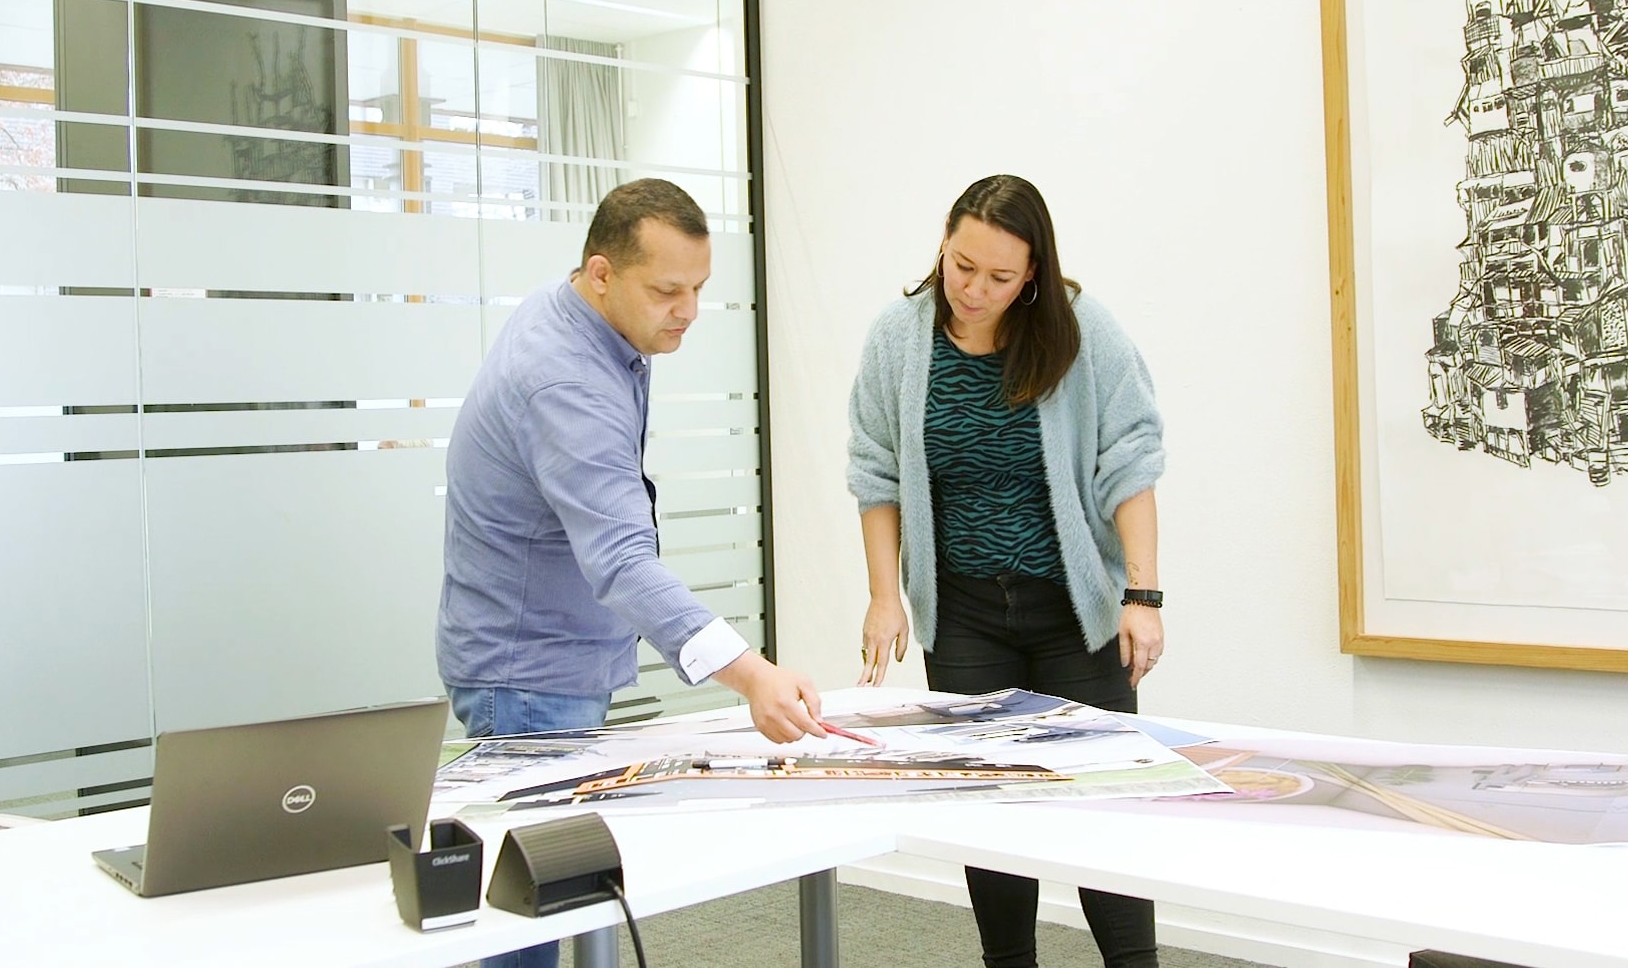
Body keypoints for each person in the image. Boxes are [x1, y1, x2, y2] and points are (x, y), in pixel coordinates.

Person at [438, 178, 828, 968]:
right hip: (526, 677)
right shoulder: (567, 378)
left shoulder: (586, 319)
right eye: (668, 291)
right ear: (603, 272)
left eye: (699, 289)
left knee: (553, 906)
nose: (687, 310)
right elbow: (618, 557)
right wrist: (751, 674)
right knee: (529, 927)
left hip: (543, 660)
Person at [847, 174, 1167, 968]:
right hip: (965, 618)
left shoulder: (1080, 327)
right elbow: (875, 471)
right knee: (991, 810)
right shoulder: (900, 337)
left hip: (1076, 614)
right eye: (962, 266)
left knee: (1105, 806)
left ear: (1033, 273)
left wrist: (1143, 593)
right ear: (943, 247)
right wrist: (885, 597)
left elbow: (1131, 459)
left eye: (999, 276)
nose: (974, 289)